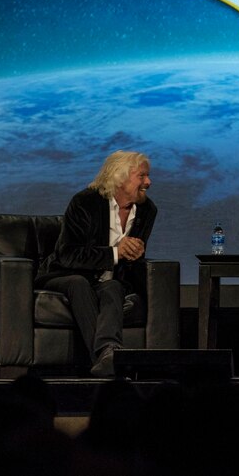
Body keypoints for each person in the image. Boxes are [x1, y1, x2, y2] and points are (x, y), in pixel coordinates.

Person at [36, 150, 156, 377]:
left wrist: (136, 253)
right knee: (78, 283)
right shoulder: (85, 202)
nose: (148, 182)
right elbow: (67, 254)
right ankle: (106, 357)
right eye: (141, 176)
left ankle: (107, 354)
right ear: (120, 177)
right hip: (62, 274)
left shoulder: (147, 210)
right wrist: (115, 253)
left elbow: (132, 260)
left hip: (107, 281)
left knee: (114, 287)